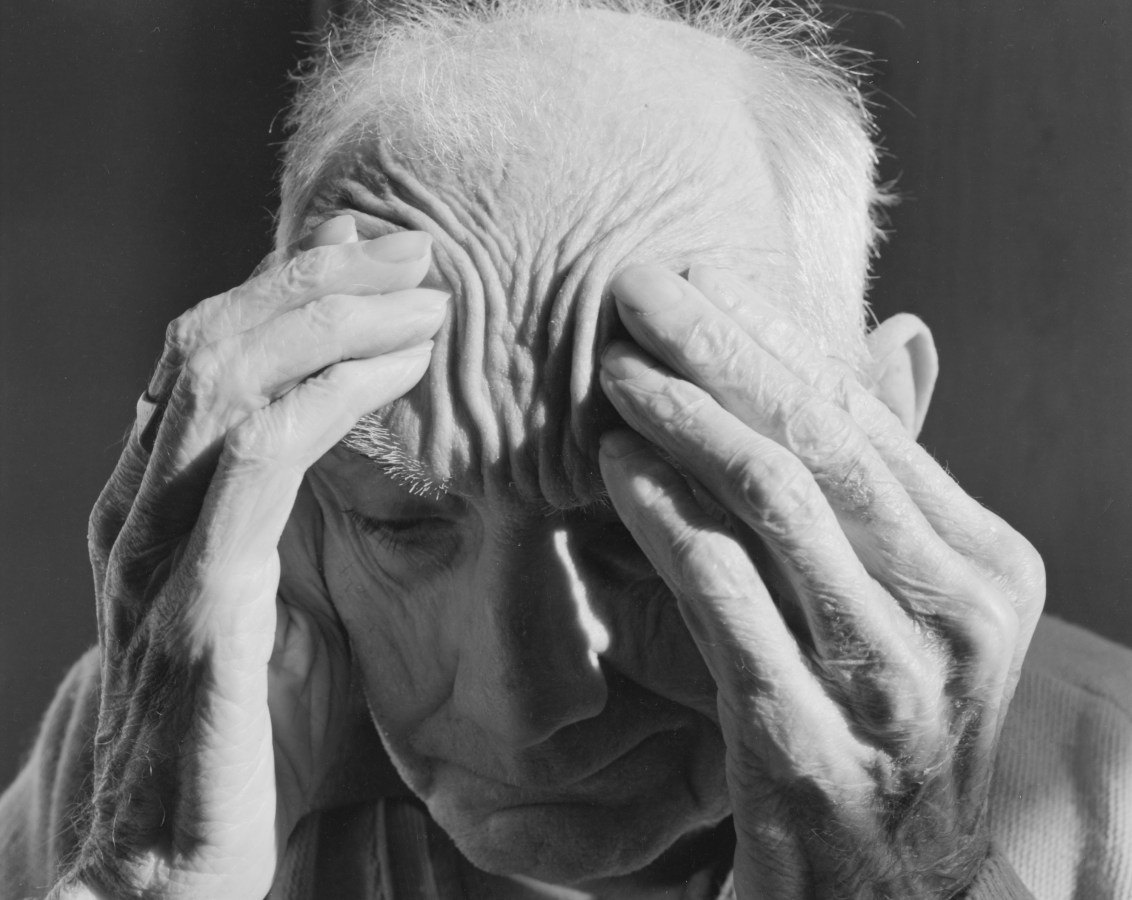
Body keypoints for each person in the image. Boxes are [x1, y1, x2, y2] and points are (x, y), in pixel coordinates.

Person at [2, 0, 1130, 897]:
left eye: (641, 527)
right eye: (402, 524)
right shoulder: (166, 743)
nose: (522, 701)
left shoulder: (1105, 805)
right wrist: (149, 881)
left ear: (874, 432)